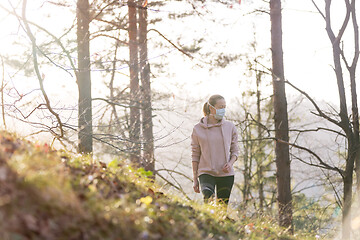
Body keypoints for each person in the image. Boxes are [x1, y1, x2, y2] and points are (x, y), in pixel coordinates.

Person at [191, 94, 239, 207]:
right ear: (211, 107)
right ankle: (206, 224)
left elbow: (235, 151)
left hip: (226, 174)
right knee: (208, 200)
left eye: (224, 107)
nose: (223, 110)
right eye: (220, 107)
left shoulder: (230, 127)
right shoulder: (198, 129)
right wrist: (195, 179)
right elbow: (195, 155)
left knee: (222, 208)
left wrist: (230, 163)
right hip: (206, 172)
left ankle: (221, 224)